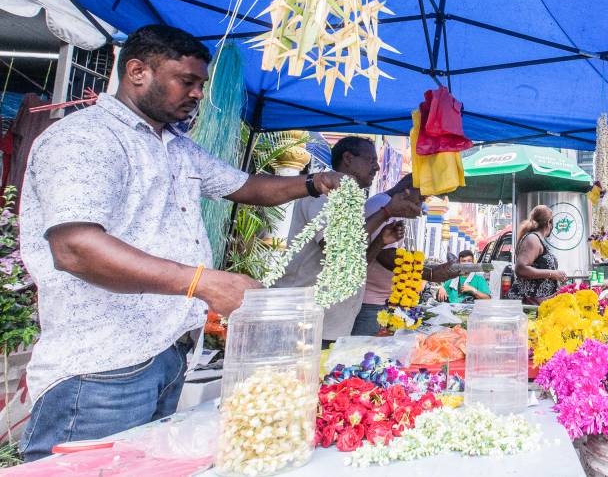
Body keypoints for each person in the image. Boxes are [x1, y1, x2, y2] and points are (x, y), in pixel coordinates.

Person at [17, 25, 348, 461]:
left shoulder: (175, 146)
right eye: (186, 82)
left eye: (201, 85)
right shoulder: (86, 138)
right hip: (100, 368)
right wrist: (201, 283)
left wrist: (312, 182)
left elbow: (246, 186)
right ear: (137, 72)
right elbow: (75, 247)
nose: (196, 95)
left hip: (166, 352)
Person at [274, 138, 419, 345]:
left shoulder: (351, 202)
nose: (377, 167)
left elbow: (355, 265)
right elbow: (338, 249)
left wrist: (380, 241)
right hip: (307, 319)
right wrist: (386, 212)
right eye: (371, 160)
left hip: (335, 322)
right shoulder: (321, 195)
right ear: (348, 159)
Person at [351, 176, 458, 335]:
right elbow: (385, 256)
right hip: (370, 303)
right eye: (421, 198)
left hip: (382, 301)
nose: (421, 205)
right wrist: (430, 273)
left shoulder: (391, 207)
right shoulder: (382, 205)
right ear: (408, 189)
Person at [507, 205, 567, 304]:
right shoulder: (533, 239)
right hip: (527, 305)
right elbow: (521, 269)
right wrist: (553, 274)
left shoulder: (537, 240)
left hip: (537, 304)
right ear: (549, 223)